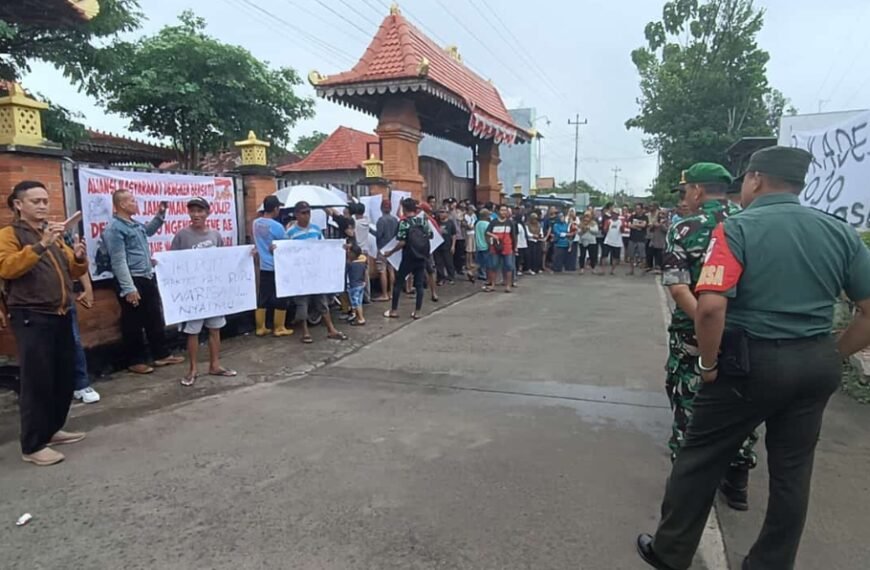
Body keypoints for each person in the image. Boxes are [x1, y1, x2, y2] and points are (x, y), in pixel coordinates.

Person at [638, 147, 870, 570]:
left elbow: (710, 308)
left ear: (757, 179)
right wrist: (833, 352)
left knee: (700, 457)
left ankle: (671, 552)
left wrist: (709, 365)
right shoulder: (839, 232)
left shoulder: (738, 231)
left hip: (749, 363)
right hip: (815, 363)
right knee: (792, 473)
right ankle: (770, 563)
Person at [659, 163, 757, 511]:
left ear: (698, 191)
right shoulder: (751, 221)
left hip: (695, 336)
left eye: (684, 192)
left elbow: (678, 288)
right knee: (739, 405)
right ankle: (737, 482)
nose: (683, 200)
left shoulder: (685, 228)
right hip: (746, 338)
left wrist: (706, 322)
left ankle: (687, 493)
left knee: (691, 405)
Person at [0, 180, 89, 466]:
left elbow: (72, 271)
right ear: (18, 204)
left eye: (44, 201)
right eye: (35, 201)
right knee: (37, 381)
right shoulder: (10, 235)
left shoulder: (52, 234)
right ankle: (33, 445)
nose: (42, 206)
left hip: (61, 313)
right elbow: (7, 268)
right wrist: (41, 245)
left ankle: (52, 429)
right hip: (31, 316)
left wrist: (79, 259)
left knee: (63, 377)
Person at [103, 190, 184, 374]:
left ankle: (161, 355)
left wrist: (160, 214)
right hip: (131, 279)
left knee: (154, 317)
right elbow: (118, 261)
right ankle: (135, 360)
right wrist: (128, 288)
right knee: (133, 322)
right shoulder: (114, 229)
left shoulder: (133, 225)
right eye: (132, 200)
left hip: (146, 276)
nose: (135, 202)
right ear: (122, 205)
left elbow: (147, 231)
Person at [170, 197, 237, 386]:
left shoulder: (215, 235)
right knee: (193, 331)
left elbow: (223, 259)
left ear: (208, 213)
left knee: (215, 329)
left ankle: (215, 365)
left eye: (200, 211)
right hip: (192, 293)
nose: (196, 215)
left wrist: (247, 257)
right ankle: (193, 369)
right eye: (192, 211)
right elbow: (172, 261)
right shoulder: (182, 236)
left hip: (212, 292)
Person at [286, 201, 347, 344]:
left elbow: (324, 247)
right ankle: (305, 332)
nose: (306, 216)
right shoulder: (290, 233)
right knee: (302, 303)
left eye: (308, 212)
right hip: (300, 273)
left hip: (316, 273)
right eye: (303, 213)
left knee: (322, 301)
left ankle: (331, 329)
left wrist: (339, 248)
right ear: (296, 215)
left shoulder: (316, 229)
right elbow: (285, 251)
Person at [384, 198, 433, 319]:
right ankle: (417, 312)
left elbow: (401, 242)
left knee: (399, 283)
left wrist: (390, 252)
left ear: (404, 209)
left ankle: (394, 310)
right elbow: (430, 235)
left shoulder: (404, 223)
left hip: (408, 257)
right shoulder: (422, 221)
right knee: (419, 284)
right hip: (421, 257)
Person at [252, 195, 293, 337]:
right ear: (275, 209)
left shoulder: (256, 223)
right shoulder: (277, 227)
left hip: (263, 265)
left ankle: (260, 327)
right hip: (276, 266)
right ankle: (279, 327)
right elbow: (285, 245)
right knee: (280, 297)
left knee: (263, 296)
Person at [485, 204, 517, 293]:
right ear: (498, 211)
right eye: (502, 210)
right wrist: (494, 236)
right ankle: (492, 285)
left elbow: (513, 236)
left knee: (509, 266)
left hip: (507, 247)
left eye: (505, 210)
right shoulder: (493, 222)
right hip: (495, 247)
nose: (504, 212)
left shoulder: (510, 223)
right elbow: (487, 232)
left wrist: (515, 247)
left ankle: (508, 286)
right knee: (493, 266)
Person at [374, 199, 398, 302]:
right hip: (392, 248)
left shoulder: (381, 220)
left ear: (381, 208)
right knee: (391, 270)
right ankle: (391, 293)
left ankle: (384, 294)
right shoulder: (395, 220)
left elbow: (379, 235)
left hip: (383, 248)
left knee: (382, 271)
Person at [346, 244, 367, 326]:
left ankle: (361, 318)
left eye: (349, 251)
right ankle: (357, 316)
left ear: (353, 254)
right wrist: (364, 282)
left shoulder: (350, 264)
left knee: (355, 303)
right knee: (359, 302)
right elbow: (365, 273)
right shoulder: (362, 263)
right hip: (361, 284)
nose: (348, 253)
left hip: (354, 286)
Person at [434, 208, 456, 285]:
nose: (441, 214)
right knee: (438, 263)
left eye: (443, 212)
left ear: (447, 214)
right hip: (438, 246)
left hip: (447, 245)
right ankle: (440, 278)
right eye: (440, 212)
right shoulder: (436, 222)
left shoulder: (450, 223)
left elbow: (453, 235)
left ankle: (451, 277)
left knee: (449, 262)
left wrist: (453, 245)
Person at [627, 203, 648, 275]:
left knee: (642, 256)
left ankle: (643, 270)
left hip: (641, 239)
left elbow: (644, 225)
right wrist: (638, 226)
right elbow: (629, 225)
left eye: (638, 208)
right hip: (632, 238)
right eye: (636, 208)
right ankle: (631, 270)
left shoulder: (645, 217)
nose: (637, 210)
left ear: (642, 209)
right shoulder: (632, 217)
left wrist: (635, 225)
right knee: (631, 255)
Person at [647, 210, 668, 274]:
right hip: (654, 241)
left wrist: (661, 225)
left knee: (660, 256)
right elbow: (650, 230)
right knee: (652, 254)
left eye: (663, 214)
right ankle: (652, 267)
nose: (661, 215)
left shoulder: (667, 222)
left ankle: (660, 268)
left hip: (661, 242)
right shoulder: (655, 221)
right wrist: (653, 225)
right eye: (660, 214)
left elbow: (667, 230)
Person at [474, 208, 491, 283]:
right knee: (486, 261)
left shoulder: (477, 223)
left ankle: (480, 274)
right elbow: (487, 236)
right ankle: (485, 275)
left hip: (478, 245)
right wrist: (490, 244)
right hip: (485, 245)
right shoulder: (487, 224)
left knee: (479, 261)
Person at [603, 210, 623, 275]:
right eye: (613, 214)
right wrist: (607, 226)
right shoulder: (608, 221)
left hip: (617, 241)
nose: (614, 215)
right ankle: (603, 270)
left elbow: (622, 231)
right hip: (608, 241)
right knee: (604, 256)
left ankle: (612, 270)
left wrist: (622, 228)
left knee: (615, 257)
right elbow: (605, 230)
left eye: (616, 214)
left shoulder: (620, 222)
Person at [462, 204, 478, 281]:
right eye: (471, 210)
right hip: (468, 234)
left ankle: (471, 262)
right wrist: (469, 226)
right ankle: (468, 263)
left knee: (472, 250)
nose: (472, 212)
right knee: (468, 250)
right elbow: (464, 224)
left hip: (473, 233)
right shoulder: (465, 216)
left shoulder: (474, 216)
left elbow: (475, 223)